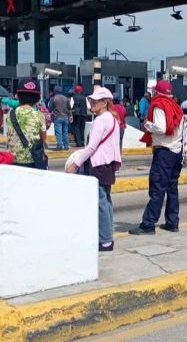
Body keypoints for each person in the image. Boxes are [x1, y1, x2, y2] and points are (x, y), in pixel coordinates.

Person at [66, 87, 122, 251]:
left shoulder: (101, 120)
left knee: (100, 203)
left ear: (105, 102)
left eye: (95, 100)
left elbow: (91, 147)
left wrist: (75, 164)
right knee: (106, 201)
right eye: (91, 100)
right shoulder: (112, 118)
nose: (92, 103)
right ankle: (107, 237)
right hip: (107, 164)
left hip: (98, 164)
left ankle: (105, 240)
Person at [129, 80, 184, 235]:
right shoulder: (176, 106)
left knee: (157, 188)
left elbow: (161, 128)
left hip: (164, 152)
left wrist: (147, 124)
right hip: (176, 151)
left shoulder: (159, 105)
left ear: (156, 92)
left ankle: (148, 224)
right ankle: (172, 222)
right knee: (172, 188)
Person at [4, 80, 47, 169]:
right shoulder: (39, 115)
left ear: (18, 96)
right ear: (37, 98)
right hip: (32, 161)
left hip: (13, 160)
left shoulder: (11, 114)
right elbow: (43, 138)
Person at [49, 85, 70, 150]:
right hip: (65, 117)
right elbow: (69, 108)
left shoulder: (53, 98)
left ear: (54, 91)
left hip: (57, 117)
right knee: (65, 132)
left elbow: (50, 109)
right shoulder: (66, 98)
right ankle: (66, 146)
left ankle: (60, 146)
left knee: (59, 132)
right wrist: (70, 115)